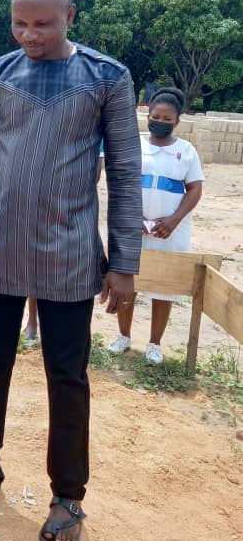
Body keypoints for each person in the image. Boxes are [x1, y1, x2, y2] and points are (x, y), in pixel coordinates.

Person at [0, 0, 142, 541]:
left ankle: (67, 495)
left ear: (70, 17)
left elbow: (125, 173)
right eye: (19, 23)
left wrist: (123, 260)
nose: (29, 34)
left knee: (68, 377)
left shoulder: (107, 78)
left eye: (43, 23)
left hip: (70, 254)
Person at [109, 87, 204, 364]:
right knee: (129, 282)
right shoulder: (133, 144)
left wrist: (174, 221)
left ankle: (155, 344)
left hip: (170, 231)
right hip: (133, 228)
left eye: (167, 118)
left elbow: (195, 189)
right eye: (156, 116)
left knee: (164, 285)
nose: (160, 121)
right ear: (147, 115)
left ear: (177, 121)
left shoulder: (186, 151)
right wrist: (131, 217)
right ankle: (123, 336)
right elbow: (120, 183)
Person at [22, 142, 104, 347]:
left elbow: (95, 174)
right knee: (36, 265)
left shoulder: (93, 131)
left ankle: (64, 332)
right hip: (38, 204)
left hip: (70, 209)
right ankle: (32, 321)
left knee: (62, 269)